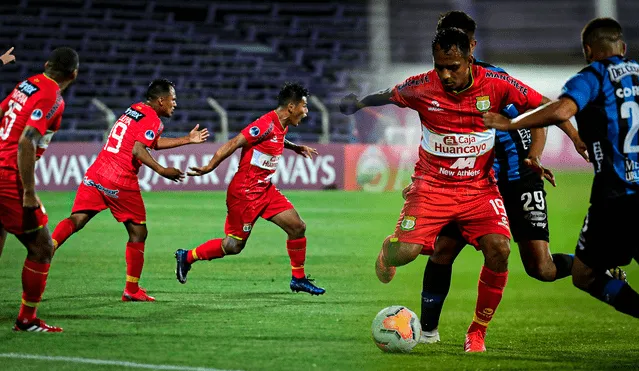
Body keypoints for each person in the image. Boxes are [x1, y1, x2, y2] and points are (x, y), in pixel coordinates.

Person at [404, 10, 616, 348]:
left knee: (542, 269)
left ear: (471, 45)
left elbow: (540, 115)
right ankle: (432, 333)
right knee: (442, 251)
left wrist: (538, 154)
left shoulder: (496, 81)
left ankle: (597, 264)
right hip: (472, 184)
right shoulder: (434, 85)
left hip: (518, 180)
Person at [340, 27, 550, 352]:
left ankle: (477, 332)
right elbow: (389, 94)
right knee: (408, 253)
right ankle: (390, 249)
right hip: (431, 187)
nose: (445, 74)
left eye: (452, 66)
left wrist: (545, 149)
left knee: (500, 250)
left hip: (479, 190)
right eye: (440, 66)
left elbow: (543, 108)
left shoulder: (495, 83)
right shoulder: (422, 86)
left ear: (470, 56)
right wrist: (358, 103)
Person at [484, 17, 639, 320]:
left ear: (588, 50)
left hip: (616, 197)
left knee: (584, 275)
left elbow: (561, 109)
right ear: (622, 47)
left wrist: (510, 122)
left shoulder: (594, 75)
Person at [50, 79, 209, 302]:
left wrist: (187, 140)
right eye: (173, 100)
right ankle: (132, 290)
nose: (175, 104)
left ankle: (49, 246)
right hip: (120, 178)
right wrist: (161, 170)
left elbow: (149, 142)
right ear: (161, 100)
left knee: (77, 219)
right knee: (138, 233)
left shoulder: (134, 109)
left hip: (97, 171)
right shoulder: (153, 119)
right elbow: (137, 149)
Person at [174, 82, 325, 296]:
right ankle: (187, 256)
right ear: (291, 107)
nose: (306, 111)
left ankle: (298, 279)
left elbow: (277, 138)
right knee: (233, 246)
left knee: (297, 227)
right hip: (244, 193)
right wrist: (210, 166)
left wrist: (295, 147)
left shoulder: (282, 125)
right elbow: (234, 143)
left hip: (265, 190)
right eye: (304, 106)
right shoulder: (264, 124)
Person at [0, 47, 79, 332]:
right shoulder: (52, 98)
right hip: (8, 177)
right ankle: (26, 319)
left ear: (46, 64)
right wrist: (29, 192)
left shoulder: (27, 83)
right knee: (42, 247)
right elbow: (26, 142)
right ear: (74, 74)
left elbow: (0, 113)